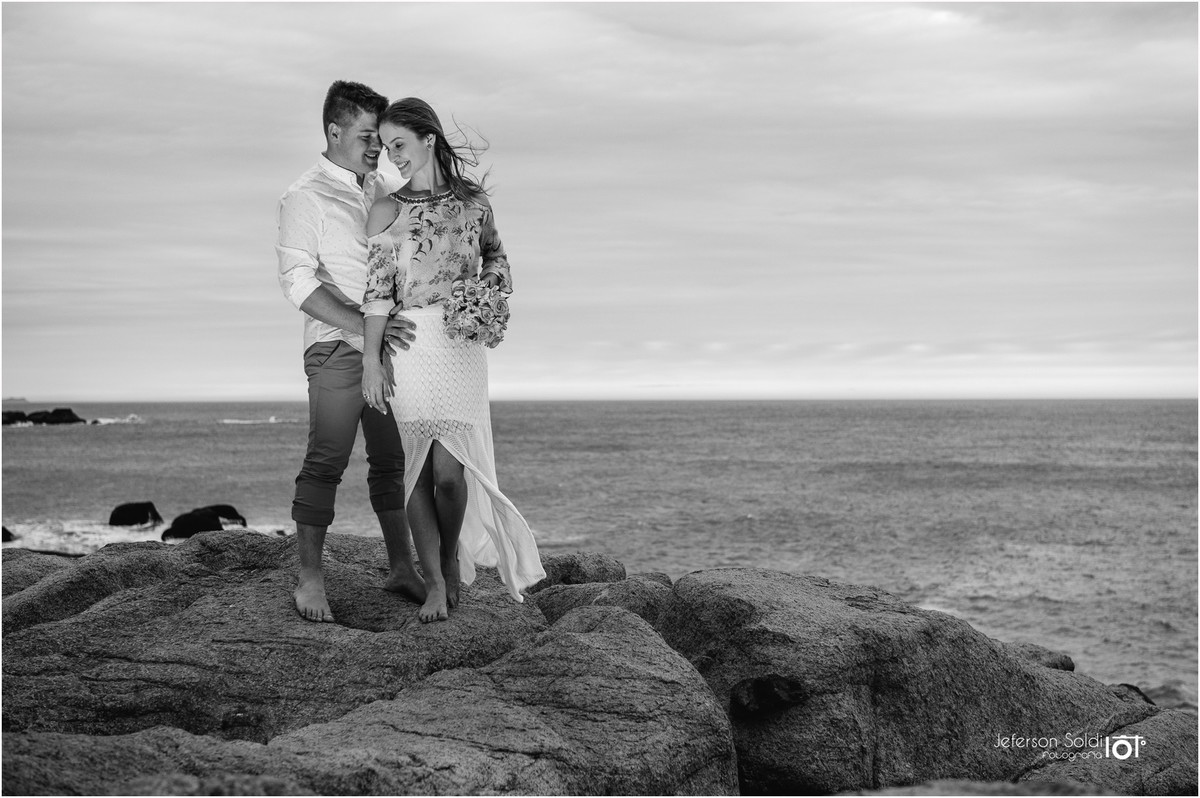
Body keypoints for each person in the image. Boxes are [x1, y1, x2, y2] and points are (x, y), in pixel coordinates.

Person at [360, 97, 546, 623]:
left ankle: (447, 555)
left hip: (462, 347)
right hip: (412, 347)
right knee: (418, 469)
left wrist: (484, 295)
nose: (393, 156)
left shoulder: (473, 202)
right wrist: (372, 359)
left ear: (429, 139)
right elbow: (376, 293)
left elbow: (497, 257)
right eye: (386, 147)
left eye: (399, 144)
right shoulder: (387, 210)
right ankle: (437, 581)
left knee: (449, 474)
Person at [276, 80, 425, 623]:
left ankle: (401, 566)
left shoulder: (385, 186)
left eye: (379, 138)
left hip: (388, 350)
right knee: (326, 460)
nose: (376, 147)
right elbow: (296, 282)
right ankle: (310, 579)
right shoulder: (305, 196)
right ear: (334, 131)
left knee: (392, 461)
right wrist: (364, 327)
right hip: (335, 347)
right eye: (366, 137)